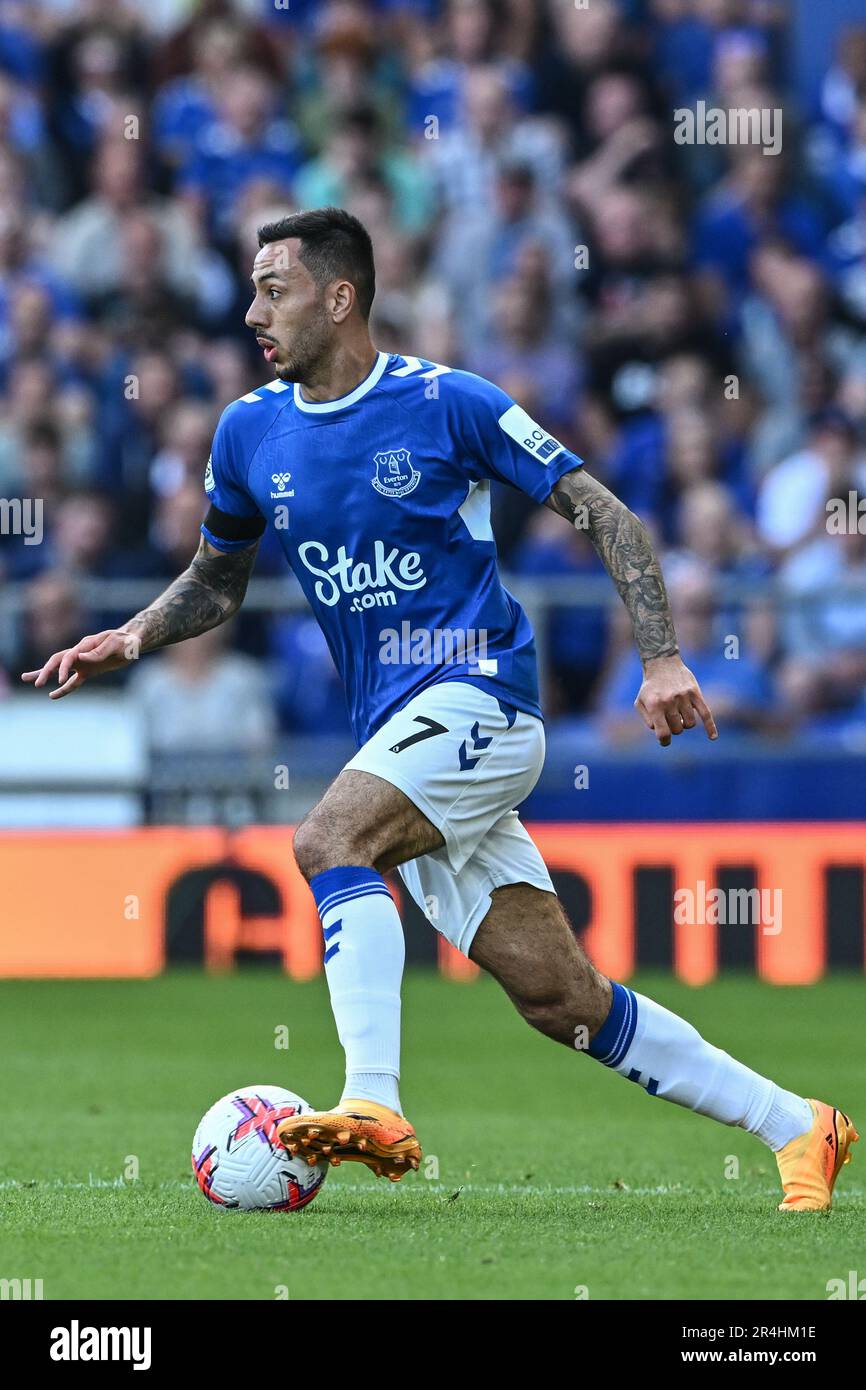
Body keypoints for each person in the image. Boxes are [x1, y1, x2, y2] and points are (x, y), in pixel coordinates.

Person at [23, 207, 857, 1209]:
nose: (252, 313)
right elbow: (217, 577)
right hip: (400, 737)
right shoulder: (248, 431)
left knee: (329, 840)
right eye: (250, 291)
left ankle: (373, 1101)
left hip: (482, 696)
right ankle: (798, 1125)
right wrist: (130, 636)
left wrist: (663, 657)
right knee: (563, 1000)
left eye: (274, 291)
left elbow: (607, 513)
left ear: (340, 298)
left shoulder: (447, 404)